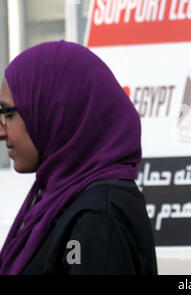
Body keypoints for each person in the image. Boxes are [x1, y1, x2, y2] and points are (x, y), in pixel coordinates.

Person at [0, 41, 158, 275]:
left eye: (8, 115)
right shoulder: (59, 201)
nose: (1, 131)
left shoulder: (99, 218)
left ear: (54, 113)